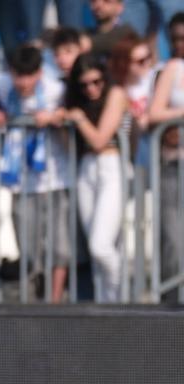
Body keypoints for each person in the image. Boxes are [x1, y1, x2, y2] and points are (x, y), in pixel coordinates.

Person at [0, 44, 70, 303]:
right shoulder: (2, 85)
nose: (23, 82)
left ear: (39, 72)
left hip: (54, 178)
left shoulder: (56, 89)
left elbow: (72, 110)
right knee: (29, 246)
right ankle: (36, 297)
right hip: (20, 182)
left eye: (29, 75)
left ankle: (55, 301)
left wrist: (56, 115)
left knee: (59, 245)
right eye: (18, 75)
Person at [65, 52, 128, 302]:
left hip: (111, 166)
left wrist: (77, 118)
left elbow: (100, 140)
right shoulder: (76, 101)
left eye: (96, 82)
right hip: (86, 168)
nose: (91, 89)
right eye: (84, 85)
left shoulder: (116, 94)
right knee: (95, 250)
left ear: (105, 78)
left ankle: (119, 301)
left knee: (101, 246)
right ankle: (104, 308)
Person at [145, 40, 184, 301]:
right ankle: (172, 306)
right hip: (174, 165)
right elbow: (154, 113)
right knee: (175, 243)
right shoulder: (174, 68)